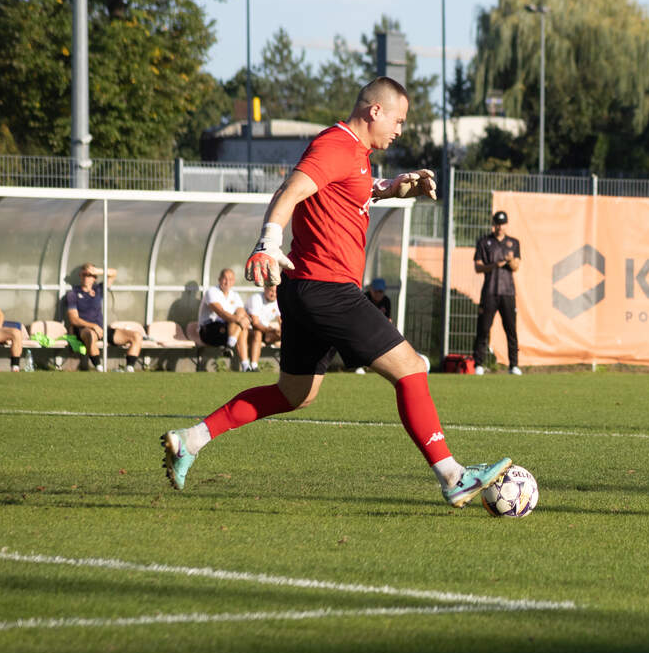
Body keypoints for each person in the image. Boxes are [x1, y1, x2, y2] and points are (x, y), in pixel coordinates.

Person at [161, 76, 511, 507]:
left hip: (306, 289)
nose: (400, 130)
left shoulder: (356, 153)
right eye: (398, 120)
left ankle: (192, 439)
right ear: (375, 111)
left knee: (295, 394)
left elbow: (347, 192)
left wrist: (393, 187)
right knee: (411, 368)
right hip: (326, 287)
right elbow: (291, 190)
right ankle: (453, 476)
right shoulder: (337, 144)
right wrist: (268, 242)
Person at [65, 263, 144, 371]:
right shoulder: (73, 293)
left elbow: (113, 273)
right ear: (80, 275)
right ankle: (99, 367)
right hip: (84, 330)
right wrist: (93, 326)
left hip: (101, 329)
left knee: (136, 336)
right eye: (84, 274)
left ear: (95, 277)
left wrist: (97, 271)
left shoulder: (98, 289)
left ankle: (129, 368)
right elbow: (73, 319)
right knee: (91, 334)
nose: (87, 277)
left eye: (90, 275)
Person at [472, 210, 522, 375]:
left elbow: (516, 266)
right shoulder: (484, 242)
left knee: (511, 329)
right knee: (483, 328)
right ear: (493, 224)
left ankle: (513, 365)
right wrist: (494, 265)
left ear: (506, 225)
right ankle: (479, 364)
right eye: (497, 224)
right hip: (490, 291)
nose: (500, 227)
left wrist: (510, 260)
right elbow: (478, 267)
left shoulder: (513, 243)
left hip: (508, 292)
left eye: (503, 224)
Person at [198, 267, 253, 371]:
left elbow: (242, 312)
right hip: (208, 330)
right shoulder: (212, 292)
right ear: (219, 279)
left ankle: (245, 366)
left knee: (241, 323)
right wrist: (240, 320)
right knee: (238, 322)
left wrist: (244, 319)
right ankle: (239, 357)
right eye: (225, 279)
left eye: (231, 279)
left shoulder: (235, 295)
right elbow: (221, 312)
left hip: (228, 331)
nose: (227, 282)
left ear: (234, 281)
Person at [245, 282, 281, 369]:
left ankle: (291, 366)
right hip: (249, 330)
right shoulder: (256, 298)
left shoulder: (277, 301)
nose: (273, 294)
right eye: (271, 291)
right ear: (265, 289)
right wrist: (270, 330)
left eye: (276, 292)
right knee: (258, 333)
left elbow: (281, 321)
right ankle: (254, 366)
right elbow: (255, 323)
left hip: (266, 331)